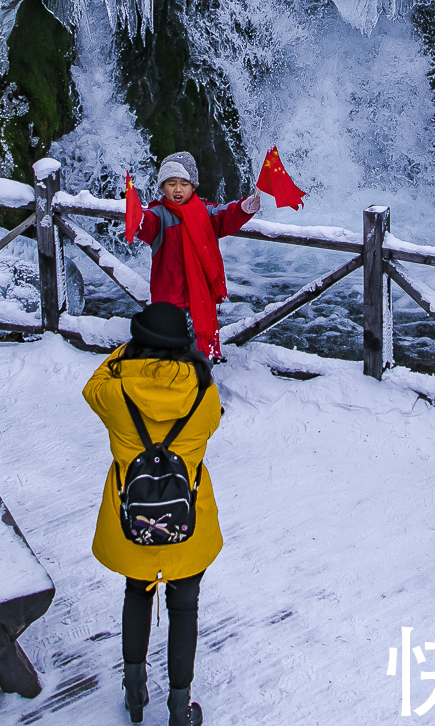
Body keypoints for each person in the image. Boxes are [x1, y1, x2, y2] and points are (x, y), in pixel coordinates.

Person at [84, 303, 224, 726]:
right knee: (185, 607)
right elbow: (212, 424)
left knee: (136, 594)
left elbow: (93, 385)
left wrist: (125, 353)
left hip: (134, 521)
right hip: (188, 520)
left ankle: (135, 694)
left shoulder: (115, 393)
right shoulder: (204, 394)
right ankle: (180, 710)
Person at [134, 151, 262, 360]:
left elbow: (226, 215)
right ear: (162, 187)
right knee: (169, 348)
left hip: (200, 298)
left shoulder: (206, 212)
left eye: (184, 183)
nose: (177, 189)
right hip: (169, 298)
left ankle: (200, 380)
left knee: (199, 347)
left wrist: (244, 208)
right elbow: (145, 226)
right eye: (171, 183)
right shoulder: (158, 215)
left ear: (193, 187)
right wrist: (136, 218)